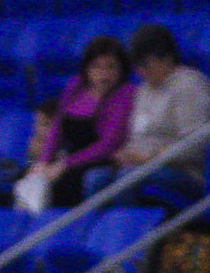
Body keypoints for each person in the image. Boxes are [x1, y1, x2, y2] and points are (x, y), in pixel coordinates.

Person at [88, 23, 210, 209]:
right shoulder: (144, 90)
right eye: (137, 66)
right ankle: (103, 235)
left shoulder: (189, 87)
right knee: (96, 179)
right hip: (143, 165)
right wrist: (126, 154)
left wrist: (151, 158)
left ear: (167, 59)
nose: (141, 72)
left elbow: (196, 146)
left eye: (146, 65)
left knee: (129, 177)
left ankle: (132, 234)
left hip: (185, 171)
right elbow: (138, 135)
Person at [36, 35, 137, 208]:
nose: (103, 75)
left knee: (62, 183)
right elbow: (58, 127)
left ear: (122, 69)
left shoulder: (126, 94)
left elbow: (109, 145)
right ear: (87, 68)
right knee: (31, 175)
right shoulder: (76, 86)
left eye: (111, 68)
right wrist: (44, 162)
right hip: (69, 158)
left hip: (99, 161)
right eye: (97, 67)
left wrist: (65, 165)